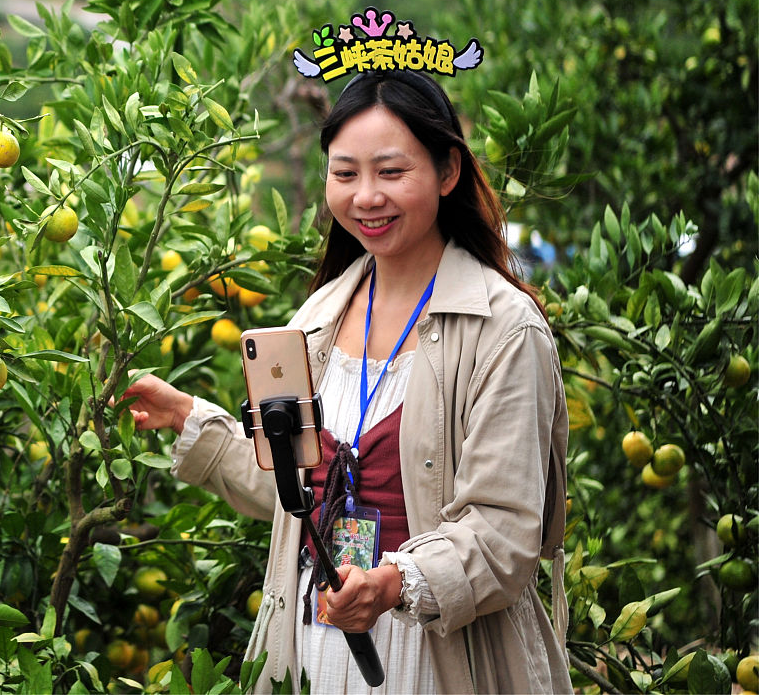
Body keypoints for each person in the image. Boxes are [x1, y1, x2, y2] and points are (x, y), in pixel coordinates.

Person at [124, 68, 572, 694]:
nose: (366, 196)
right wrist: (188, 419)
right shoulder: (320, 316)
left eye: (392, 172)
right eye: (345, 173)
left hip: (435, 651)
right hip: (314, 642)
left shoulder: (502, 329)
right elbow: (294, 488)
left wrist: (393, 583)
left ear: (448, 173)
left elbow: (504, 531)